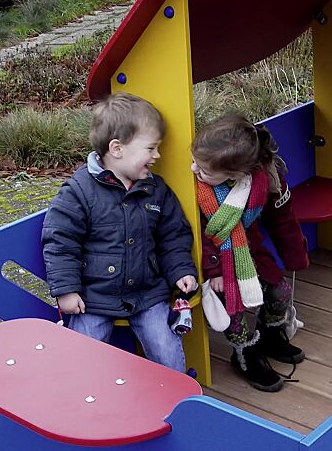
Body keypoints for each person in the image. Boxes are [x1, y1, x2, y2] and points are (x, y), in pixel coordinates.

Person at [43, 92, 198, 373]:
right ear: (117, 149)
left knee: (167, 353)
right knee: (81, 356)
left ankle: (178, 406)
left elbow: (173, 235)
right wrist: (66, 290)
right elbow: (60, 242)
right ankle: (82, 404)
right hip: (94, 296)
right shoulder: (79, 191)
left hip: (147, 293)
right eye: (150, 149)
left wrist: (181, 271)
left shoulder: (156, 189)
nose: (157, 156)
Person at [191, 114, 309, 392]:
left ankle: (270, 335)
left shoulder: (264, 182)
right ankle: (245, 352)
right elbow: (198, 233)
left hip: (249, 251)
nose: (194, 169)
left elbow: (282, 219)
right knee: (232, 309)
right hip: (212, 261)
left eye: (205, 169)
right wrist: (215, 270)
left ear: (236, 175)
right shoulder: (198, 187)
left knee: (279, 291)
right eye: (196, 160)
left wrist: (294, 255)